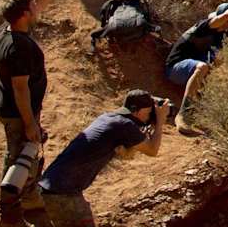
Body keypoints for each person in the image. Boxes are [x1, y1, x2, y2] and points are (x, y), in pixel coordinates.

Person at [0, 0, 72, 225]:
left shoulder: (6, 30)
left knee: (25, 155)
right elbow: (20, 88)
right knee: (20, 157)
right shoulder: (19, 48)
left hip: (13, 109)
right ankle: (10, 213)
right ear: (25, 14)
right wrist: (30, 124)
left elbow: (36, 4)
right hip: (18, 112)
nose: (37, 9)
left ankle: (27, 202)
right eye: (32, 8)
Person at [36, 89, 166, 226]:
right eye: (148, 113)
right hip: (62, 193)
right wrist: (160, 122)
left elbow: (127, 155)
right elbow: (152, 150)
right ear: (136, 111)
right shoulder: (125, 125)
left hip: (53, 187)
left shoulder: (108, 118)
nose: (149, 117)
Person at [165, 1, 228, 134]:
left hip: (193, 73)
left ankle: (205, 120)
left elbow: (220, 60)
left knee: (214, 78)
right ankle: (182, 115)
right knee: (203, 67)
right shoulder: (205, 26)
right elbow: (225, 17)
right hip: (175, 69)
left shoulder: (222, 37)